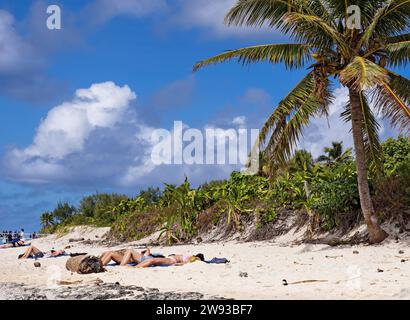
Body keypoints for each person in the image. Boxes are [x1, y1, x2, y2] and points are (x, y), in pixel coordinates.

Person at [136, 253, 205, 268]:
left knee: (152, 260)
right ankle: (138, 266)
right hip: (172, 259)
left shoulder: (194, 258)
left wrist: (176, 264)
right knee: (152, 260)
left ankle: (136, 267)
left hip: (172, 261)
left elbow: (185, 263)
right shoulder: (191, 257)